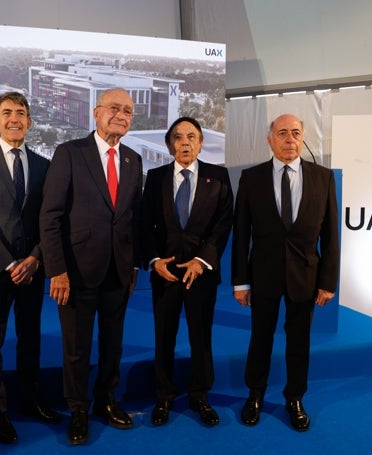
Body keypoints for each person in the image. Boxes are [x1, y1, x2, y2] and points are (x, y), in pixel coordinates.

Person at [39, 88, 143, 445]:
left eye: (128, 111)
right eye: (114, 108)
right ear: (97, 113)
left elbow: (131, 219)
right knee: (76, 347)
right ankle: (79, 409)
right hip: (76, 272)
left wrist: (134, 267)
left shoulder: (133, 159)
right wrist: (57, 270)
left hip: (119, 271)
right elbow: (50, 216)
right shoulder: (70, 153)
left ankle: (107, 401)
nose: (122, 115)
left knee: (113, 344)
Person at [231, 113, 339, 432]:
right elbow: (241, 235)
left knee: (299, 341)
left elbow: (331, 236)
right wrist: (240, 282)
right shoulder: (251, 179)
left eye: (295, 133)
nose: (289, 139)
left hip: (305, 277)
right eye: (282, 133)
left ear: (303, 137)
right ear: (270, 140)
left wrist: (328, 282)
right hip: (262, 275)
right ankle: (255, 395)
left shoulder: (322, 177)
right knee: (260, 339)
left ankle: (295, 398)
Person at [0, 91, 60, 444]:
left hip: (33, 270)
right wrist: (9, 264)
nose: (15, 118)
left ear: (29, 121)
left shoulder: (44, 166)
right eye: (7, 113)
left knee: (30, 340)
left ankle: (30, 402)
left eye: (21, 113)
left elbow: (49, 221)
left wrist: (34, 259)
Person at [142, 117, 233, 426]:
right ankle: (164, 397)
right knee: (164, 336)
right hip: (165, 273)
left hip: (201, 274)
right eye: (178, 137)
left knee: (200, 336)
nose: (185, 142)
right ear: (170, 144)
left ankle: (200, 396)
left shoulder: (218, 177)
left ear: (200, 143)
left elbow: (223, 224)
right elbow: (145, 224)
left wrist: (202, 260)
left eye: (191, 137)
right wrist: (155, 260)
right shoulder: (154, 178)